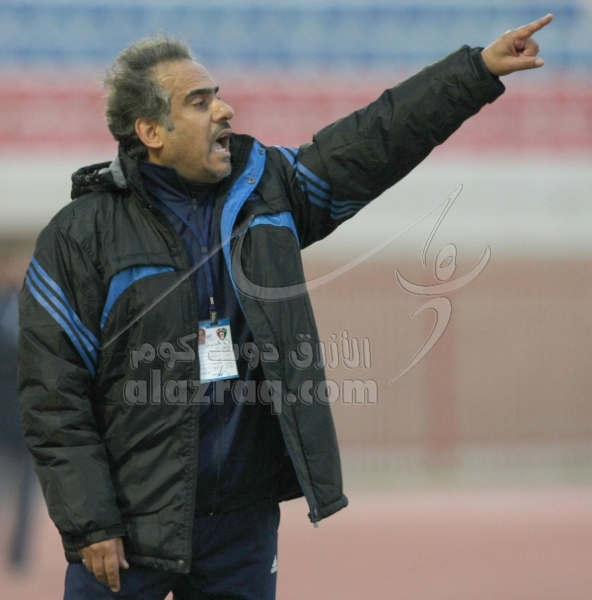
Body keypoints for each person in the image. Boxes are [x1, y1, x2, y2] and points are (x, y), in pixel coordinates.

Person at [18, 14, 553, 600]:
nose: (224, 111)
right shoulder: (80, 235)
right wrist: (91, 523)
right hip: (129, 524)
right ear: (151, 131)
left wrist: (475, 71)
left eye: (217, 96)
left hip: (241, 525)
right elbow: (54, 397)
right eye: (199, 102)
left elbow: (372, 140)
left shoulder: (270, 188)